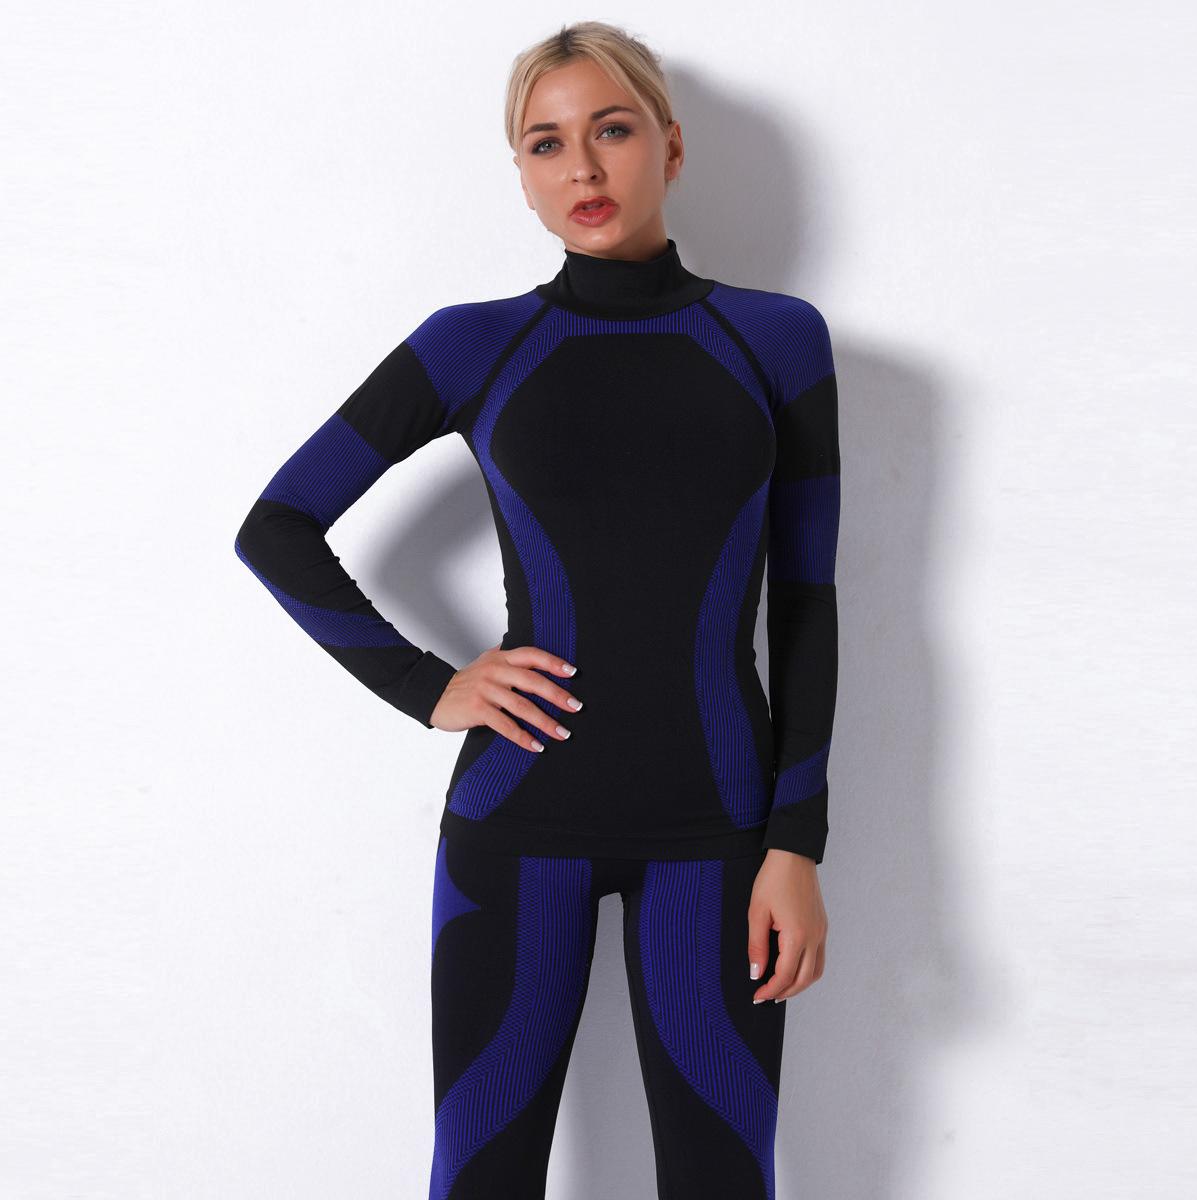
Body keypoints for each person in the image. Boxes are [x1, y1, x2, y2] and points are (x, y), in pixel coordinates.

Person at [235, 20, 840, 1200]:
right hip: (519, 820)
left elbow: (809, 605)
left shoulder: (777, 339)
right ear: (520, 176)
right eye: (546, 143)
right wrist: (429, 687)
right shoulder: (474, 344)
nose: (584, 167)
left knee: (725, 1182)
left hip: (718, 834)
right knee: (483, 1178)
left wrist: (795, 844)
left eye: (613, 130)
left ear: (669, 146)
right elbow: (278, 527)